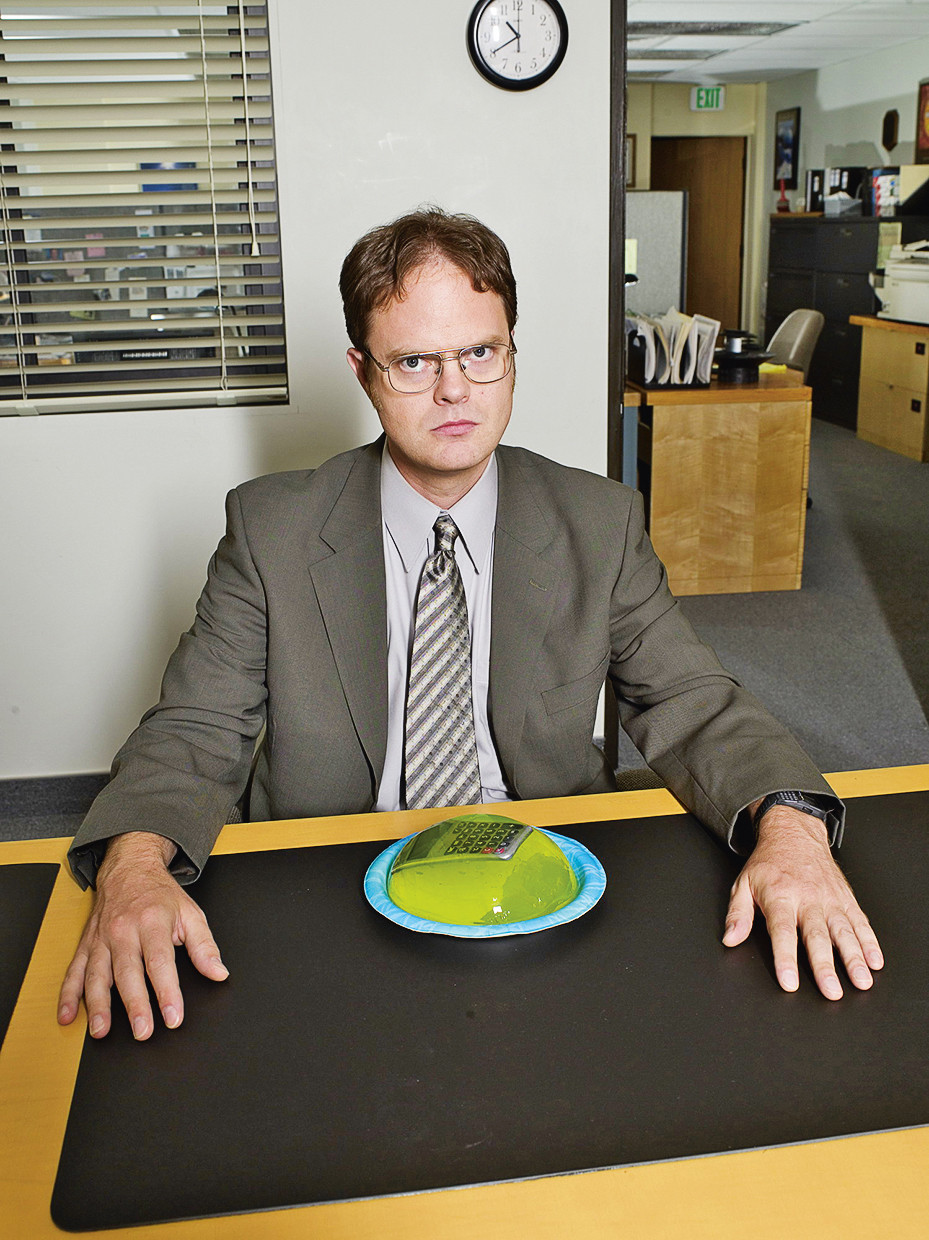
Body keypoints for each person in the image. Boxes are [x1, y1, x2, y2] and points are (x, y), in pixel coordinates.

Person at [58, 207, 883, 1042]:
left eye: (480, 353)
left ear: (511, 355)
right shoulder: (272, 530)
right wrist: (133, 868)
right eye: (414, 361)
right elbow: (196, 725)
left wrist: (791, 830)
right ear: (362, 371)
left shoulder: (596, 521)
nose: (454, 390)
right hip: (329, 880)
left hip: (541, 872)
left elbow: (692, 700)